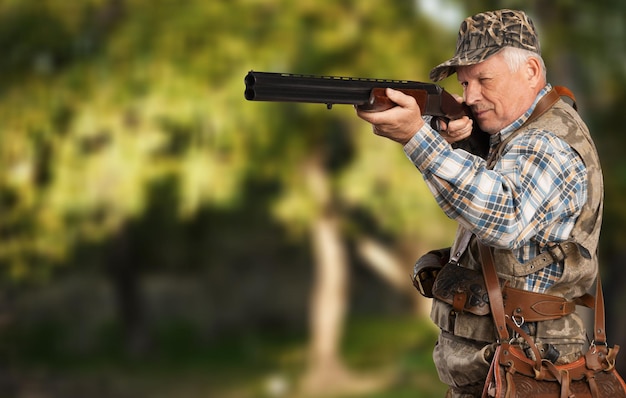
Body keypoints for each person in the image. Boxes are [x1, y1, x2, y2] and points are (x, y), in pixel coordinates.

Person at [356, 9, 603, 398]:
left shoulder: (547, 141)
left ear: (532, 72)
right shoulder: (511, 139)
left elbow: (506, 218)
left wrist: (418, 139)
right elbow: (499, 184)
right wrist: (461, 141)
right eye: (465, 83)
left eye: (484, 80)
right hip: (504, 370)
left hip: (534, 372)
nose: (470, 96)